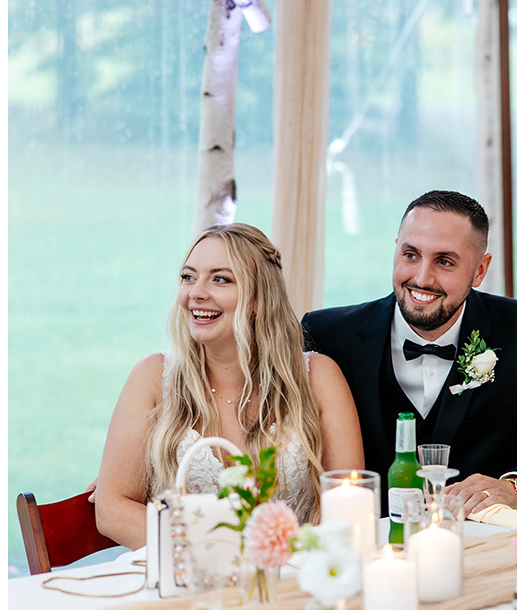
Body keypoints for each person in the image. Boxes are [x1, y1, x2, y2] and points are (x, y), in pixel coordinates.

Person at [302, 189, 517, 515]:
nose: (422, 278)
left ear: (480, 270)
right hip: (365, 544)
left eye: (445, 261)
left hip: (483, 543)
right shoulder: (325, 335)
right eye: (411, 255)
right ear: (395, 250)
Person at [94, 223, 366, 550]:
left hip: (289, 580)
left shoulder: (317, 378)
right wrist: (212, 558)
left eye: (220, 279)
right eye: (188, 277)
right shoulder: (153, 378)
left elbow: (347, 504)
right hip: (187, 582)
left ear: (257, 299)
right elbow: (111, 509)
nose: (196, 292)